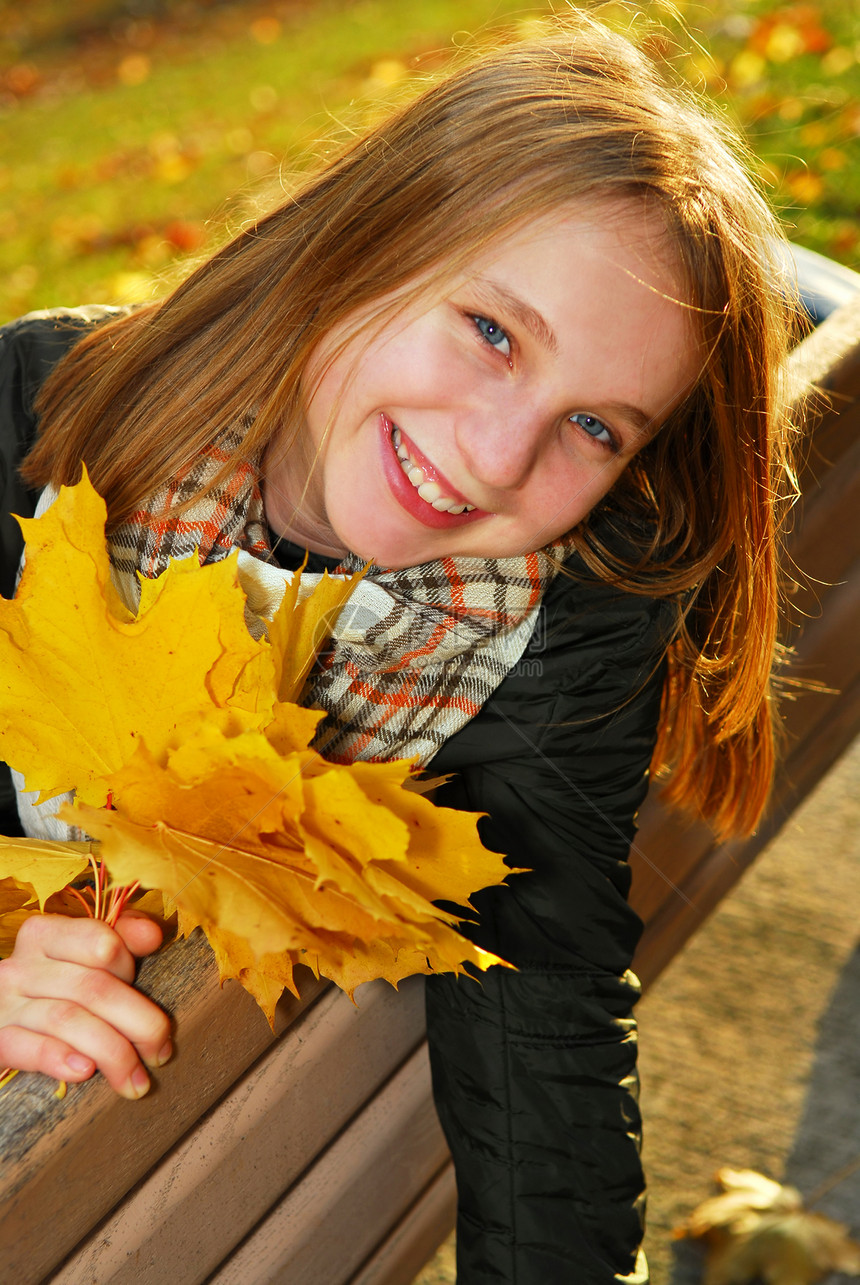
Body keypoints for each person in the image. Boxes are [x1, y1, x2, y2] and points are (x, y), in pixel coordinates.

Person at [0, 14, 799, 1282]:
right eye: (490, 331)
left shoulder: (554, 617)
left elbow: (545, 1028)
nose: (493, 456)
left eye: (592, 424)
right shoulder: (40, 417)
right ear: (366, 239)